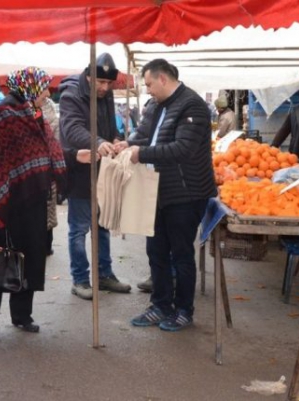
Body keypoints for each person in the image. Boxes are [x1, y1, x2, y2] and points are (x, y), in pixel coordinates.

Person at [0, 67, 66, 343]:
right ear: (30, 87)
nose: (47, 93)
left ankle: (22, 315)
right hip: (3, 201)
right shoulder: (3, 115)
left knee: (30, 257)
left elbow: (48, 149)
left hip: (31, 199)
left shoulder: (35, 115)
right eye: (44, 87)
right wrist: (0, 191)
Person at [116, 58, 217, 331]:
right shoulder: (156, 106)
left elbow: (182, 148)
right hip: (157, 190)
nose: (147, 90)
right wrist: (129, 143)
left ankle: (184, 310)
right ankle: (160, 305)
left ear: (163, 79)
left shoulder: (192, 105)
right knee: (156, 251)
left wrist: (141, 153)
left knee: (181, 255)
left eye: (149, 84)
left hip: (187, 193)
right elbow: (145, 134)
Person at [59, 52, 132, 300]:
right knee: (79, 229)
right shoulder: (71, 95)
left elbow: (109, 125)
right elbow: (72, 129)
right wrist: (97, 141)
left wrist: (113, 138)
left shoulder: (106, 95)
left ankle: (104, 275)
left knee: (102, 225)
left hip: (103, 171)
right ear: (89, 76)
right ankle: (80, 279)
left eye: (108, 83)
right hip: (80, 172)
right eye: (100, 82)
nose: (104, 88)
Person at [41, 97, 60, 256]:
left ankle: (43, 246)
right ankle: (47, 246)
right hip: (49, 171)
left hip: (40, 171)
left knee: (42, 209)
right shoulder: (53, 117)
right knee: (48, 210)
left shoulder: (31, 116)